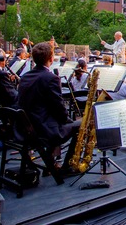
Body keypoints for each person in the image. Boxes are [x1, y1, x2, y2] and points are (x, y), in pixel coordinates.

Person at [17, 42, 81, 173]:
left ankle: (50, 162)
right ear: (51, 59)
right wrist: (68, 121)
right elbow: (58, 107)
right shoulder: (51, 78)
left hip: (25, 127)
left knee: (59, 121)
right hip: (42, 129)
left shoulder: (25, 76)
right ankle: (66, 167)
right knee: (80, 125)